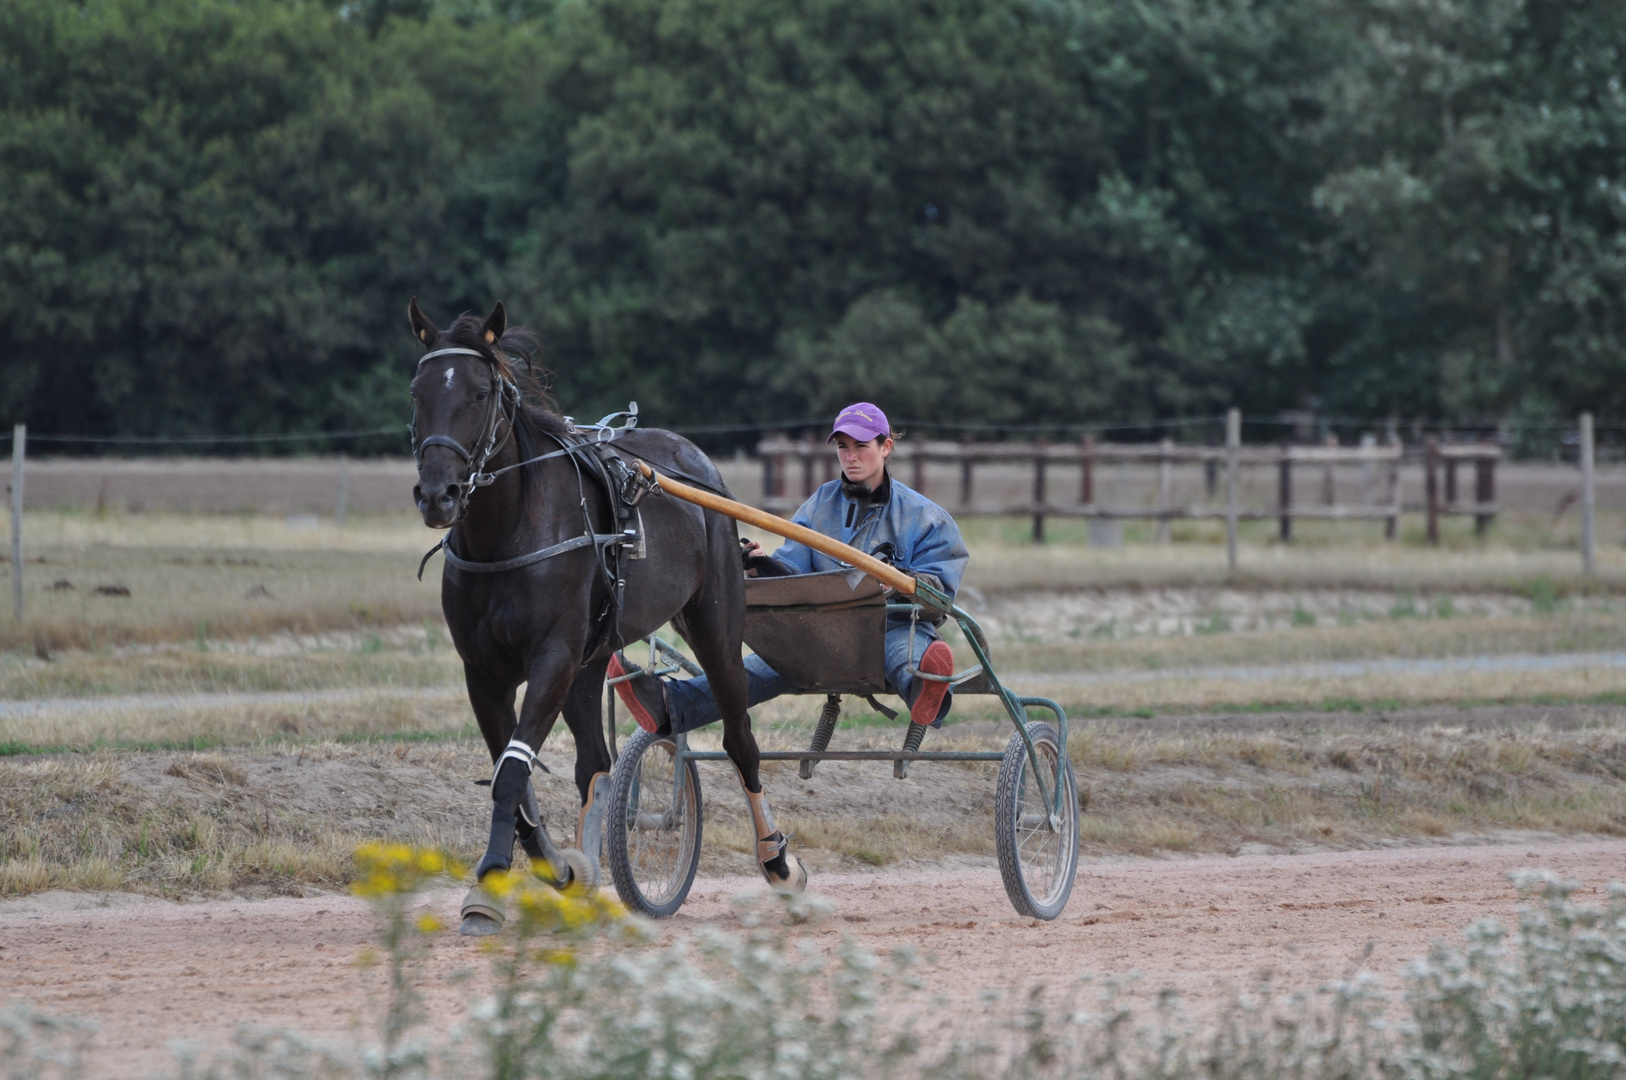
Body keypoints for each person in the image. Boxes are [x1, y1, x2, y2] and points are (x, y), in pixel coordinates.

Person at [608, 401, 969, 737]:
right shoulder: (819, 506)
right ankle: (671, 704)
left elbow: (939, 597)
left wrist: (898, 584)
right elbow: (793, 575)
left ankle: (925, 686)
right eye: (843, 447)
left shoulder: (927, 519)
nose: (851, 457)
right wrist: (759, 566)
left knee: (904, 654)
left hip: (889, 630)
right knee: (765, 661)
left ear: (886, 447)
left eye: (861, 447)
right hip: (825, 636)